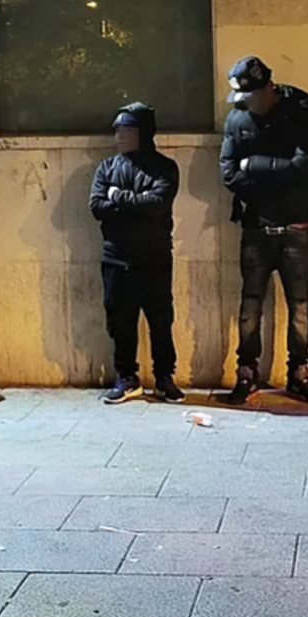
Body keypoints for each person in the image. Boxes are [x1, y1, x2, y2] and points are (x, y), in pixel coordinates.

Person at [220, 56, 308, 405]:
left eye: (251, 96)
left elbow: (304, 165)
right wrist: (268, 179)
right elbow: (228, 172)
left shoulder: (302, 113)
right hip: (256, 227)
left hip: (295, 226)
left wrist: (255, 165)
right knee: (250, 307)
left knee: (300, 307)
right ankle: (247, 375)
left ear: (268, 88)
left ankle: (299, 374)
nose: (246, 103)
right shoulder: (237, 118)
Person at [89, 103, 184, 404]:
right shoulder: (107, 167)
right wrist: (134, 204)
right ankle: (126, 377)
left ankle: (164, 377)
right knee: (120, 322)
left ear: (144, 132)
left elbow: (157, 204)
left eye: (127, 129)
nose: (119, 135)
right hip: (116, 258)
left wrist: (118, 197)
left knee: (160, 321)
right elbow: (96, 206)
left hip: (154, 259)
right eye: (117, 129)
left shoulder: (165, 167)